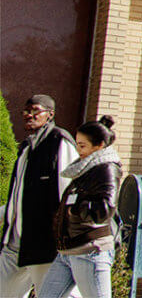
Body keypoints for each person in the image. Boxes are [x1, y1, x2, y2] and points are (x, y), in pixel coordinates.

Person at [0, 95, 78, 297]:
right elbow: (19, 197)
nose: (29, 115)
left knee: (52, 294)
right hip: (15, 242)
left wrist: (66, 237)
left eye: (35, 110)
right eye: (26, 111)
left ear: (50, 114)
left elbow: (70, 191)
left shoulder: (59, 142)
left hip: (44, 243)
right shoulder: (26, 148)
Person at [39, 116, 122, 298]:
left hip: (90, 251)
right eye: (77, 144)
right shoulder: (85, 168)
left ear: (99, 145)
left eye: (82, 146)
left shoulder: (106, 169)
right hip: (68, 251)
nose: (78, 150)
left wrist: (76, 209)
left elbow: (105, 209)